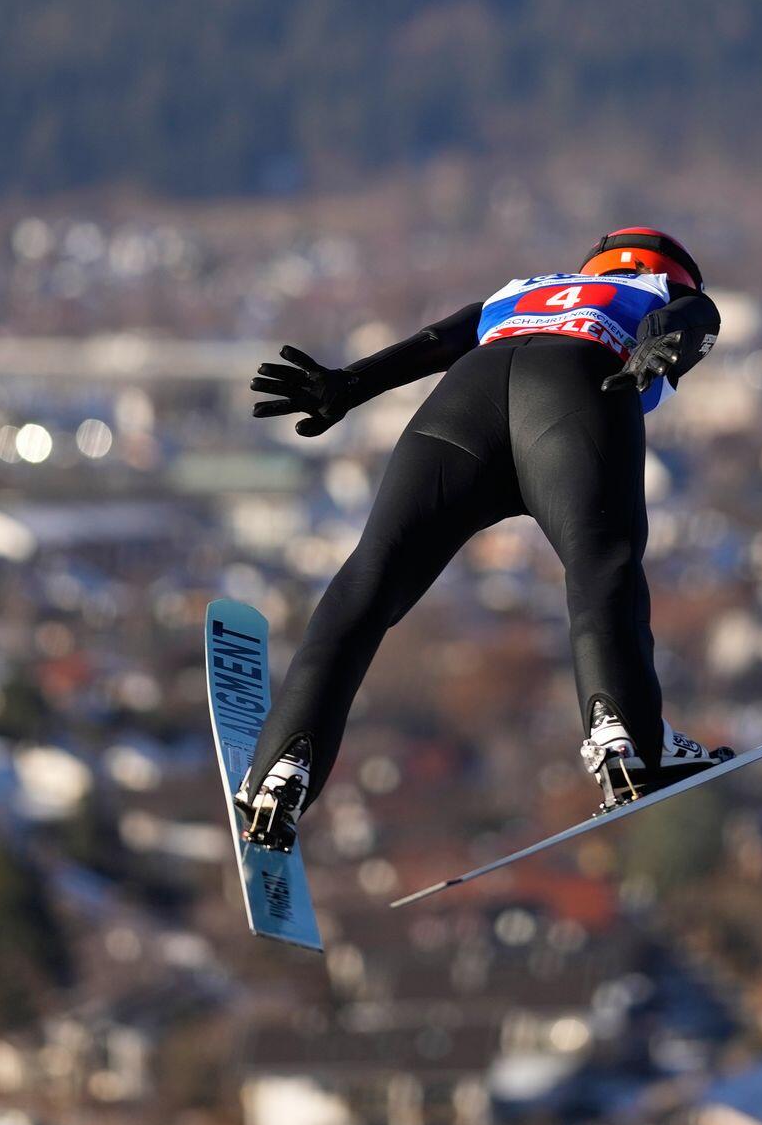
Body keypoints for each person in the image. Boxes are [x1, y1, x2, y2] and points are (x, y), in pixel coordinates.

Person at [234, 227, 732, 850]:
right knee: (601, 564)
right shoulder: (660, 290)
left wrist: (347, 385)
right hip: (576, 387)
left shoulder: (522, 289)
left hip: (465, 400)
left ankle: (281, 767)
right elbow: (692, 318)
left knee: (371, 578)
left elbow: (436, 342)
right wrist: (662, 346)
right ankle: (627, 737)